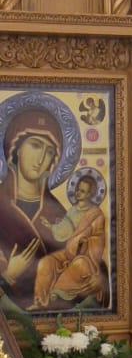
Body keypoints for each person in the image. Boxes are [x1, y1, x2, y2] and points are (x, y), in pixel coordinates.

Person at [0, 108, 67, 309]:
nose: (41, 159)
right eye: (35, 145)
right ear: (16, 148)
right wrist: (7, 274)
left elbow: (85, 265)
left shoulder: (58, 214)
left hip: (52, 312)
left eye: (49, 152)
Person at [33, 173, 109, 309]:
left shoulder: (96, 214)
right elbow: (64, 230)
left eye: (83, 191)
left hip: (87, 258)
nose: (78, 193)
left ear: (90, 194)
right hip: (69, 252)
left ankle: (55, 294)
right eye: (78, 189)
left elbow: (98, 239)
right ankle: (40, 301)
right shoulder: (73, 210)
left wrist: (85, 239)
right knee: (46, 262)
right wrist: (50, 226)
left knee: (79, 265)